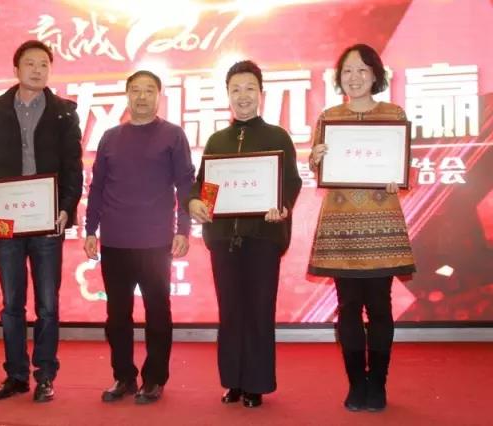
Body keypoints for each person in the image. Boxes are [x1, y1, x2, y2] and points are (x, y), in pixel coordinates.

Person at [0, 40, 83, 403]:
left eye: (44, 64)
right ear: (16, 69)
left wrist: (66, 208)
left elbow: (73, 168)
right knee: (11, 303)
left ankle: (45, 375)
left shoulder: (64, 113)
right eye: (30, 63)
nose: (37, 70)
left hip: (46, 219)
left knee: (47, 303)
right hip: (6, 220)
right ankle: (15, 375)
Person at [307, 44, 416, 412]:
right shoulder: (330, 117)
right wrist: (316, 158)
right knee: (349, 306)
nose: (354, 77)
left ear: (375, 74)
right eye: (347, 71)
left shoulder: (393, 114)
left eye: (362, 70)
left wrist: (397, 178)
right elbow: (318, 168)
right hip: (340, 227)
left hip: (381, 227)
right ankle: (357, 384)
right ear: (339, 78)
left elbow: (405, 168)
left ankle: (377, 384)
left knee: (380, 307)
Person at [188, 60, 302, 408]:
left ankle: (256, 383)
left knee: (259, 310)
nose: (243, 96)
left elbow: (291, 181)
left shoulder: (277, 136)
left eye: (250, 88)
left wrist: (282, 205)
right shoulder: (217, 140)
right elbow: (205, 184)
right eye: (235, 89)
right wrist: (196, 202)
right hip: (224, 239)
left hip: (262, 237)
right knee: (231, 310)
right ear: (228, 95)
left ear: (261, 93)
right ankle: (233, 381)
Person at [83, 70, 195, 405]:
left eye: (149, 90)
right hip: (115, 240)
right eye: (135, 90)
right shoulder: (110, 137)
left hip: (156, 241)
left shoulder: (173, 135)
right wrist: (90, 230)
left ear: (159, 96)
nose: (142, 96)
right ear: (127, 95)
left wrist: (183, 229)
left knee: (158, 313)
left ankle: (154, 379)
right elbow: (97, 187)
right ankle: (124, 376)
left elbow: (186, 185)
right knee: (117, 316)